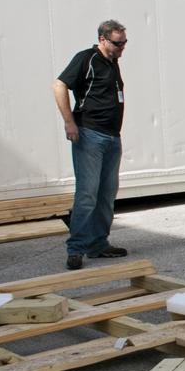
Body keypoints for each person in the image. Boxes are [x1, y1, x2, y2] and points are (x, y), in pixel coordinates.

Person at [52, 20, 130, 271]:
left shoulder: (112, 62)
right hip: (90, 135)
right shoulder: (87, 59)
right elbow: (59, 85)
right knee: (87, 194)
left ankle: (98, 244)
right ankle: (76, 249)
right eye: (118, 43)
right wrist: (69, 122)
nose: (122, 48)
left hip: (112, 137)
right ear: (103, 39)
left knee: (106, 193)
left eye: (125, 43)